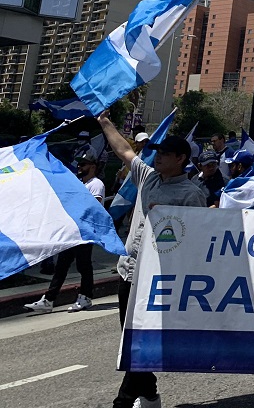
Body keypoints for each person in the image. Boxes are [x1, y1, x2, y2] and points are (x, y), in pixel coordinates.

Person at [97, 110, 206, 408]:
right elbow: (125, 151)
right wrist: (105, 122)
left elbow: (195, 238)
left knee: (136, 344)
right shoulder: (148, 178)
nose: (158, 158)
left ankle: (123, 401)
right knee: (130, 340)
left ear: (181, 158)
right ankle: (150, 394)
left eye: (166, 154)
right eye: (157, 153)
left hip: (159, 279)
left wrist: (169, 218)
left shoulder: (190, 194)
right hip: (130, 272)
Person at [24, 148, 106, 314]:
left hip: (85, 232)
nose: (79, 166)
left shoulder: (96, 184)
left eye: (83, 164)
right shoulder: (81, 183)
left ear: (93, 166)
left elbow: (94, 206)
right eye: (79, 163)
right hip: (72, 232)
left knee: (84, 265)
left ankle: (85, 297)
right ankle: (48, 300)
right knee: (62, 266)